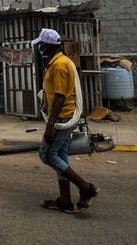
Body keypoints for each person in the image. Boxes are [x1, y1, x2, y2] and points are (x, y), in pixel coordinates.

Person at [31, 28, 98, 214]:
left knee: (47, 155)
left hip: (61, 118)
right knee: (60, 157)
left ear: (47, 45)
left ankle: (86, 188)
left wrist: (50, 126)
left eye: (41, 45)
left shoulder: (59, 65)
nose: (39, 48)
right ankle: (65, 202)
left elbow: (60, 96)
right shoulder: (58, 61)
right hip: (62, 115)